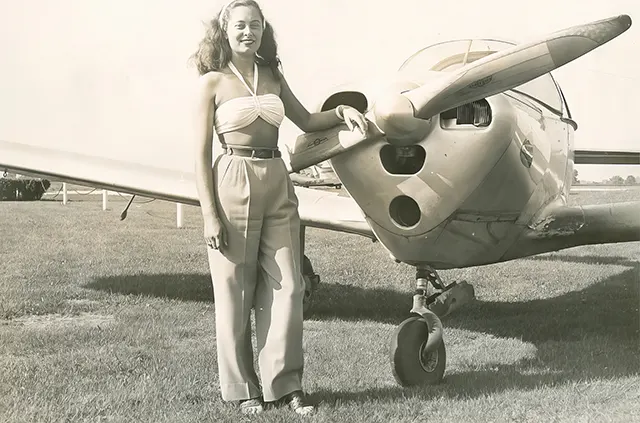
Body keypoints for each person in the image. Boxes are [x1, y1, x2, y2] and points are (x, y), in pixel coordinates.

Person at [190, 0, 368, 416]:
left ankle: (286, 386)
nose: (247, 32)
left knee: (288, 285)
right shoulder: (211, 83)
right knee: (235, 288)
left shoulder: (272, 75)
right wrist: (209, 214)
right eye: (239, 25)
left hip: (277, 178)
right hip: (231, 176)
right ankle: (242, 389)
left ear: (262, 29)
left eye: (254, 25)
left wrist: (341, 112)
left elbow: (307, 120)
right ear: (225, 29)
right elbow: (198, 155)